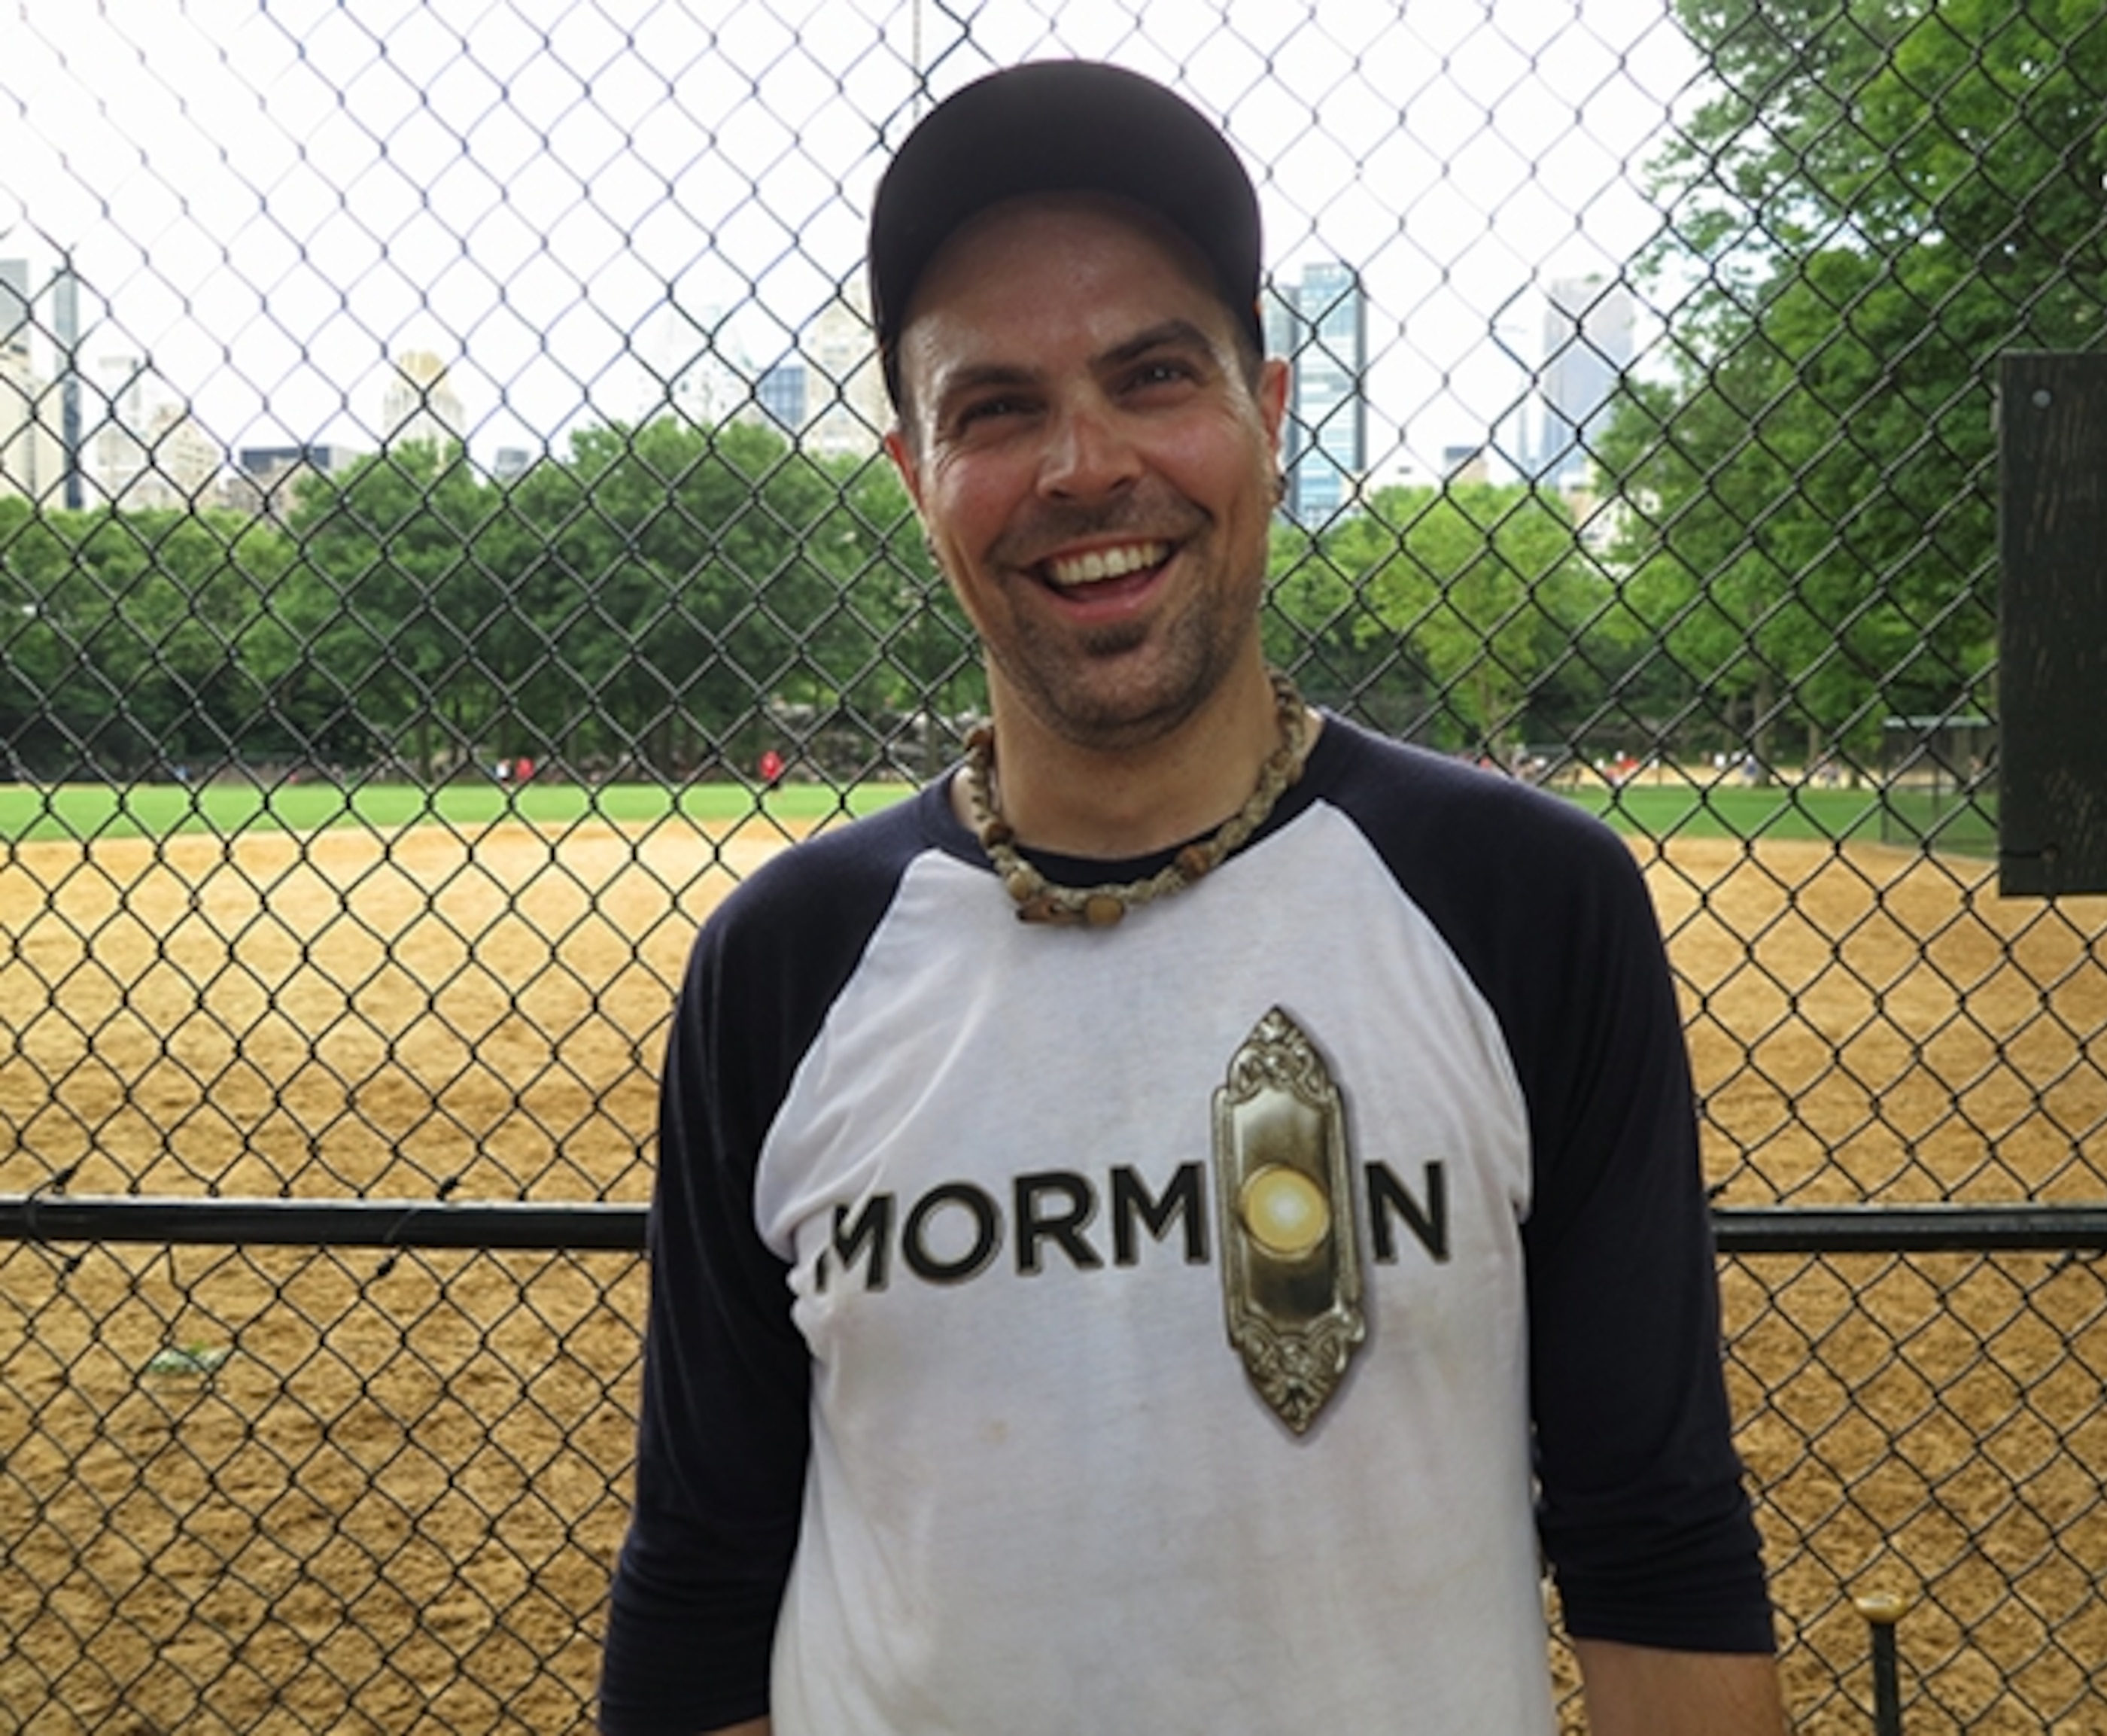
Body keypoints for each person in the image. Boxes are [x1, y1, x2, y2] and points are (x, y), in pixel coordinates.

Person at [598, 59, 1783, 1736]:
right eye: (993, 407)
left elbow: (1653, 1533)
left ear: (1272, 410)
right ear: (913, 472)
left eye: (1154, 373)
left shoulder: (1527, 901)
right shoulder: (783, 963)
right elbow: (705, 1576)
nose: (1084, 466)